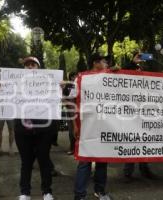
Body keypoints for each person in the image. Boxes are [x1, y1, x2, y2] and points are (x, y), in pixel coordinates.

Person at [13, 56, 57, 200]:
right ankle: (25, 192)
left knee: (44, 160)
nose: (30, 67)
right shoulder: (13, 83)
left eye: (33, 64)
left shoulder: (50, 82)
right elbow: (4, 98)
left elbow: (70, 94)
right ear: (23, 68)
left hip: (43, 130)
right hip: (22, 130)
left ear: (38, 67)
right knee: (26, 162)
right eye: (27, 65)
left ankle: (47, 191)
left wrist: (63, 87)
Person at [73, 53, 111, 200]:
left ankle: (100, 191)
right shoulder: (81, 78)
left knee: (102, 160)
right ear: (96, 63)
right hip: (87, 126)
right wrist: (75, 125)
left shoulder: (109, 78)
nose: (106, 64)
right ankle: (80, 195)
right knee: (85, 161)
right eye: (104, 61)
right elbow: (74, 102)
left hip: (105, 125)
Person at [121, 52, 158, 181]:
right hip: (132, 111)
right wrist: (133, 62)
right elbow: (123, 73)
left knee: (145, 141)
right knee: (133, 141)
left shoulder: (147, 71)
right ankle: (128, 172)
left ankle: (144, 169)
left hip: (146, 111)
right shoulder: (131, 69)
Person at [63, 71, 77, 155]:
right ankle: (72, 148)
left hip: (80, 111)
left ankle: (79, 149)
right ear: (71, 77)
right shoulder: (67, 86)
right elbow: (62, 98)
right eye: (73, 76)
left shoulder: (81, 85)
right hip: (70, 112)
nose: (75, 77)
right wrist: (68, 103)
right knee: (72, 131)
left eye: (76, 75)